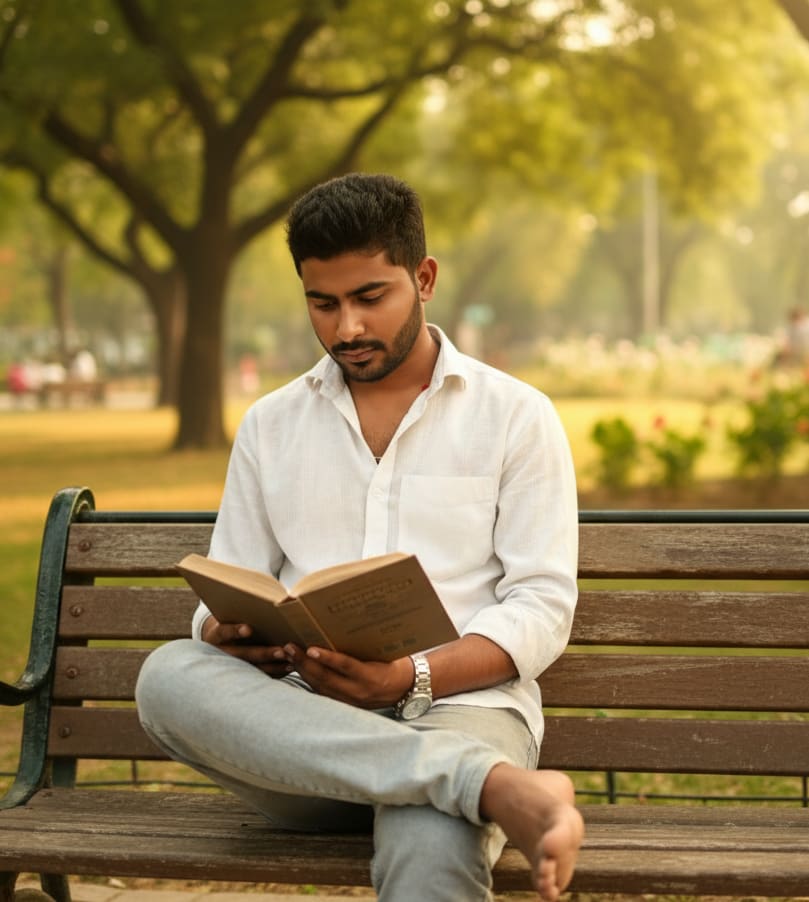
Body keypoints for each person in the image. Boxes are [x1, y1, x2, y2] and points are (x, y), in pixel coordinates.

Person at [135, 173, 584, 902]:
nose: (346, 328)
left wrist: (407, 676)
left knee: (431, 834)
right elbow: (232, 578)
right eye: (323, 303)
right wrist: (227, 629)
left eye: (370, 298)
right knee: (167, 676)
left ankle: (461, 778)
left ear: (424, 277)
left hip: (461, 715)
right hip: (302, 739)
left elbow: (539, 605)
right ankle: (492, 788)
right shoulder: (270, 426)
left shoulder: (514, 417)